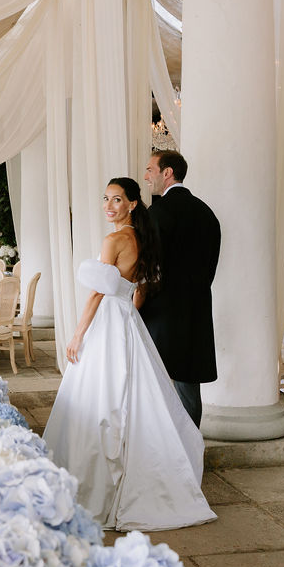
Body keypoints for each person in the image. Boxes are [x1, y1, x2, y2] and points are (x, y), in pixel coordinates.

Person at [43, 177, 216, 531]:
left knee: (102, 395)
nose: (109, 206)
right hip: (127, 318)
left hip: (109, 317)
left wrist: (78, 334)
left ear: (133, 203)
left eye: (117, 199)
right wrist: (129, 315)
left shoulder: (114, 240)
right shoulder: (143, 239)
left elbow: (96, 294)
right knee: (132, 395)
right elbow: (140, 289)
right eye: (106, 198)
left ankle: (98, 486)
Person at [141, 150, 221, 427]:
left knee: (156, 384)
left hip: (161, 312)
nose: (146, 176)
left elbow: (149, 266)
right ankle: (191, 446)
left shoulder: (157, 213)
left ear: (167, 173)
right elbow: (210, 266)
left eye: (150, 169)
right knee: (188, 386)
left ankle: (164, 446)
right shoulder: (206, 213)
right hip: (196, 309)